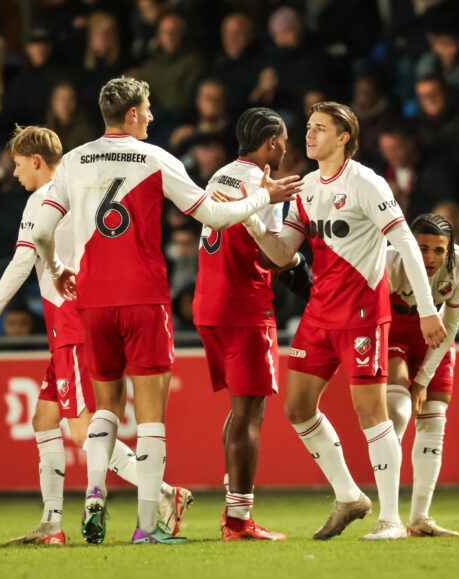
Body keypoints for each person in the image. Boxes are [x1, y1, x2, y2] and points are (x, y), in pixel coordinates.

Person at [30, 77, 301, 545]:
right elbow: (214, 216)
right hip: (144, 298)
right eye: (149, 109)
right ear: (132, 113)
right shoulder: (155, 159)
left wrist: (57, 268)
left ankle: (94, 496)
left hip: (91, 301)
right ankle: (146, 526)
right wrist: (265, 198)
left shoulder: (73, 160)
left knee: (106, 409)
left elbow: (40, 230)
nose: (153, 117)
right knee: (150, 416)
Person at [0, 125, 192, 545]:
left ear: (36, 161)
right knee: (44, 419)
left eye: (17, 165)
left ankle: (163, 493)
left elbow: (20, 263)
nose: (14, 174)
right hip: (73, 321)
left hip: (72, 324)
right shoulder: (82, 189)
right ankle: (51, 523)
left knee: (84, 432)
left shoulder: (42, 199)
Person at [241, 101, 447, 540]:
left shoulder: (367, 183)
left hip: (361, 316)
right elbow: (282, 254)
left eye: (319, 129)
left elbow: (407, 244)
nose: (309, 135)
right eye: (309, 128)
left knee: (371, 414)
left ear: (344, 138)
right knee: (297, 407)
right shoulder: (306, 186)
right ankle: (349, 495)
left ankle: (391, 520)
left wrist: (427, 308)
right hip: (318, 313)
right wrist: (254, 221)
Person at [193, 107, 298, 541]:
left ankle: (233, 511)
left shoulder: (220, 175)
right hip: (244, 306)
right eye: (285, 138)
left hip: (209, 304)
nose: (289, 145)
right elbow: (275, 254)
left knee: (240, 410)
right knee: (251, 412)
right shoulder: (263, 185)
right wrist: (297, 242)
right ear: (271, 142)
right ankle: (238, 521)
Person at [384, 213, 459, 538]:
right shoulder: (389, 262)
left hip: (434, 340)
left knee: (434, 421)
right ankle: (388, 516)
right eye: (422, 248)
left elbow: (449, 326)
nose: (430, 258)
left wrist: (422, 378)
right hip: (392, 335)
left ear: (449, 250)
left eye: (439, 250)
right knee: (396, 411)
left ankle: (420, 519)